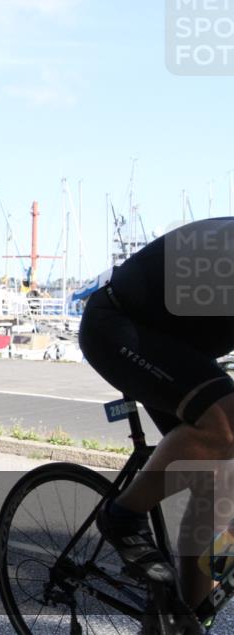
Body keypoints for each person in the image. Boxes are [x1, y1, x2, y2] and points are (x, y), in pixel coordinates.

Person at [79, 217, 234, 618]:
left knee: (217, 483)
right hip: (117, 326)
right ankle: (123, 516)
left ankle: (187, 616)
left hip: (173, 347)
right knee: (226, 425)